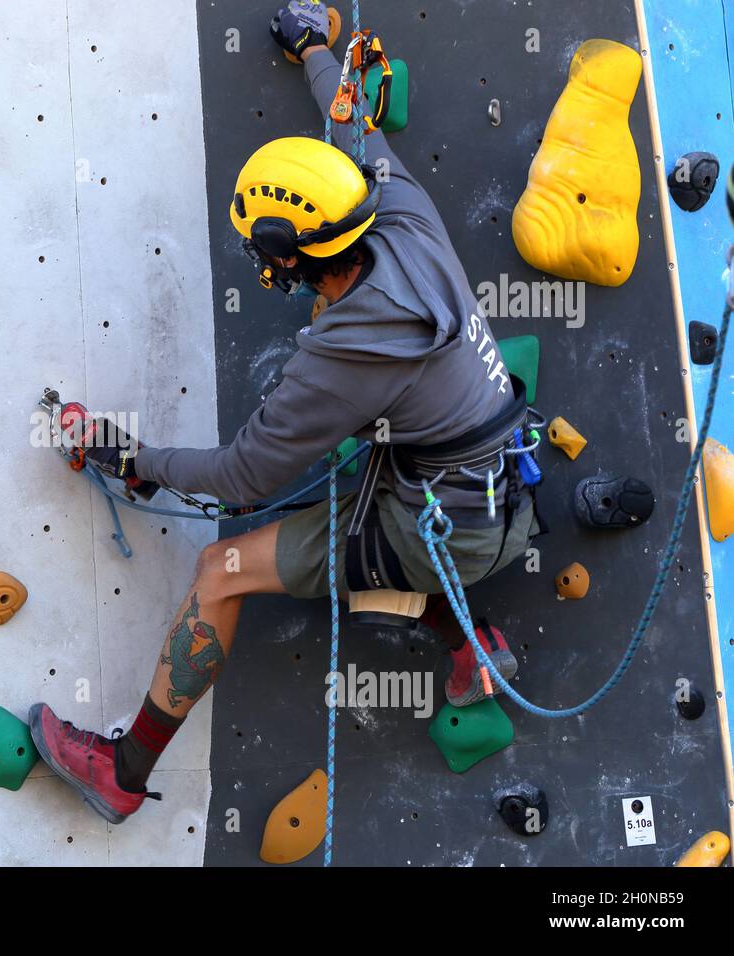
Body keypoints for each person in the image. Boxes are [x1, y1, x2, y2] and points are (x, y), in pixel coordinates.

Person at [29, 0, 541, 824]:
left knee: (221, 572)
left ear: (284, 257)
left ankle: (122, 773)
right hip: (490, 490)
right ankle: (475, 650)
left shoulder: (341, 356)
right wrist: (312, 49)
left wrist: (133, 456)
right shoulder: (400, 213)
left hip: (438, 526)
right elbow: (355, 137)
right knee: (360, 500)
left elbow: (242, 476)